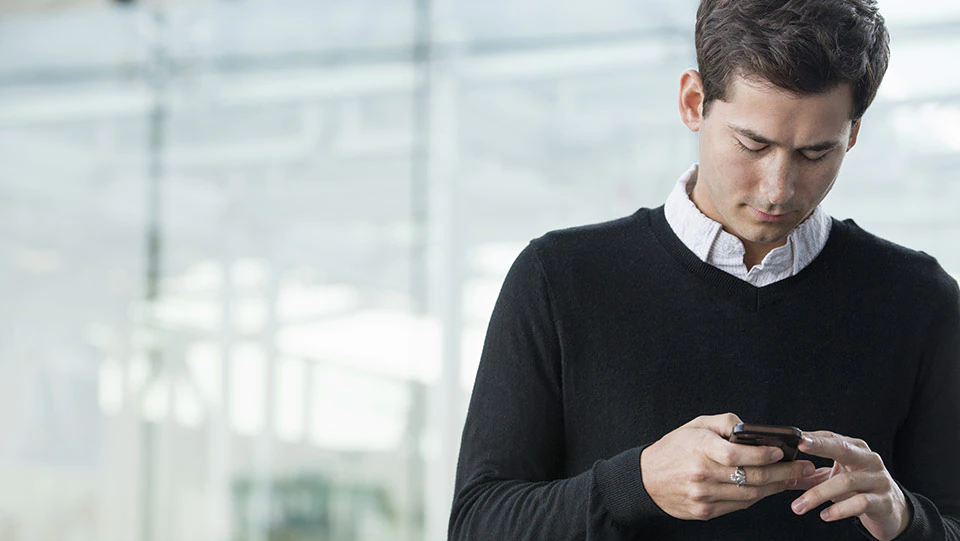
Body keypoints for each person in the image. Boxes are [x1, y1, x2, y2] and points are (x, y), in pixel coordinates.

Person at [447, 0, 960, 540]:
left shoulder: (920, 302)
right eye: (753, 144)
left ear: (852, 134)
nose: (778, 189)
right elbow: (478, 524)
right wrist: (636, 485)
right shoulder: (556, 280)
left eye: (815, 153)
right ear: (694, 102)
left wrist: (906, 520)